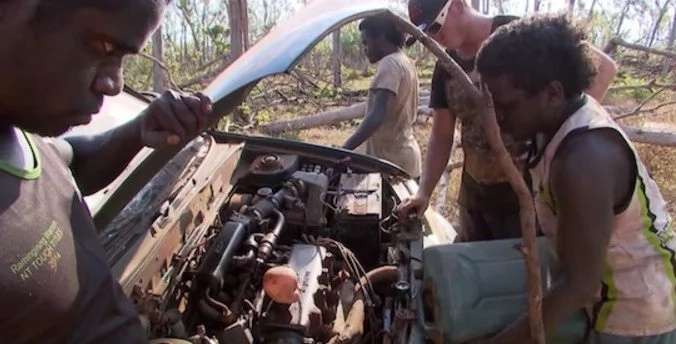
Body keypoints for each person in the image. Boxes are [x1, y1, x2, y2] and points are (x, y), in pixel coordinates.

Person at [0, 0, 213, 343]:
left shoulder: (16, 133)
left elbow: (69, 167)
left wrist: (140, 128)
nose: (114, 84)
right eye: (102, 47)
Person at [473, 14, 676, 343]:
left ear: (552, 94)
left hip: (634, 313)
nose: (497, 117)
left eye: (506, 106)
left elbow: (580, 287)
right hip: (602, 294)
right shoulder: (554, 124)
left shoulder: (584, 160)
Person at [396, 0, 618, 242]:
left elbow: (604, 68)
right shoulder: (445, 67)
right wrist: (423, 192)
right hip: (476, 199)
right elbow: (441, 135)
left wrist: (556, 140)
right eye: (425, 33)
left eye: (436, 27)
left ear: (458, 6)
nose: (434, 38)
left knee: (523, 273)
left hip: (527, 199)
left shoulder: (519, 34)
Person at [342, 13, 422, 181]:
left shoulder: (390, 64)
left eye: (366, 42)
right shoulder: (406, 62)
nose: (364, 49)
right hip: (406, 157)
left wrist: (345, 149)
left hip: (391, 164)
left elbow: (377, 115)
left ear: (381, 38)